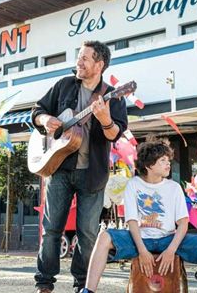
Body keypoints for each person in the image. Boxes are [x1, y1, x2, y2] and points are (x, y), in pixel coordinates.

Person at [81, 140, 197, 293]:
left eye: (168, 160)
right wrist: (142, 251)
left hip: (169, 239)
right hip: (139, 238)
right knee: (104, 237)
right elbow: (131, 221)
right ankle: (88, 290)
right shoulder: (133, 184)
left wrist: (171, 250)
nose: (168, 163)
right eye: (162, 160)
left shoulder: (174, 188)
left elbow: (183, 223)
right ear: (148, 165)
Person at [31, 40, 128, 293]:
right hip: (59, 169)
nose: (78, 62)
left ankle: (81, 285)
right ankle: (44, 284)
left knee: (87, 234)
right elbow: (37, 110)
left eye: (84, 58)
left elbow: (115, 134)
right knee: (51, 229)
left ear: (100, 64)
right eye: (79, 57)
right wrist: (46, 119)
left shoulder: (113, 96)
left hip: (92, 175)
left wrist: (105, 120)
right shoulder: (64, 85)